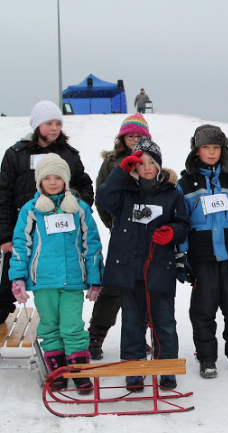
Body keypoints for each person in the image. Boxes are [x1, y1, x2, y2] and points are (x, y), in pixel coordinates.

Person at [96, 137, 189, 391]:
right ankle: (133, 369)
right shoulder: (123, 193)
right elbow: (103, 196)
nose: (147, 167)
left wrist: (172, 232)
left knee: (164, 321)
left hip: (160, 268)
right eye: (141, 163)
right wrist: (120, 171)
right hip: (129, 269)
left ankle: (166, 368)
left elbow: (183, 225)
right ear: (134, 166)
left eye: (151, 162)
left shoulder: (172, 194)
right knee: (132, 321)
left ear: (159, 165)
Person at [9, 154, 103, 394]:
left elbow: (91, 245)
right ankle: (58, 371)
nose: (52, 182)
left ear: (66, 180)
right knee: (49, 326)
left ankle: (79, 372)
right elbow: (21, 245)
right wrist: (18, 278)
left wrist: (95, 278)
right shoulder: (31, 210)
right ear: (39, 181)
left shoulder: (79, 209)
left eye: (58, 178)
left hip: (73, 280)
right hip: (43, 281)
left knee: (72, 326)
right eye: (47, 178)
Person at [0, 100, 94, 324]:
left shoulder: (69, 155)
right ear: (37, 126)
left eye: (58, 124)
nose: (54, 128)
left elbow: (85, 186)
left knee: (56, 284)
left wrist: (76, 206)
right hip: (22, 230)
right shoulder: (16, 154)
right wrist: (5, 236)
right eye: (48, 123)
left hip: (57, 233)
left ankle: (61, 329)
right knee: (8, 283)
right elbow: (3, 194)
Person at [176, 125, 228, 379]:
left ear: (223, 150)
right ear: (196, 151)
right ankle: (207, 357)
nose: (211, 152)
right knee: (203, 310)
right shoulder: (185, 184)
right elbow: (182, 222)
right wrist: (181, 256)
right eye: (206, 147)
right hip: (203, 257)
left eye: (216, 147)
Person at [87, 113, 152, 360]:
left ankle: (138, 337)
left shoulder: (150, 158)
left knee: (143, 286)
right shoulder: (111, 162)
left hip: (145, 234)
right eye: (130, 135)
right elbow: (102, 196)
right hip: (121, 234)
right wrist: (112, 224)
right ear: (122, 137)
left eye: (139, 135)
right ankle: (95, 337)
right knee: (112, 288)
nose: (134, 139)